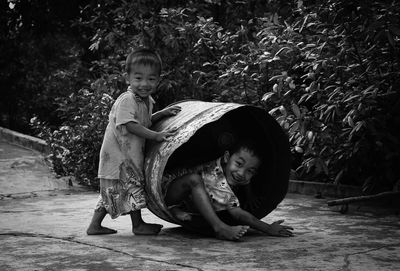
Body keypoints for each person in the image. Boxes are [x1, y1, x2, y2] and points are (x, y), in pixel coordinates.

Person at [87, 48, 181, 235]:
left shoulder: (145, 100)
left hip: (127, 155)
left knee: (114, 191)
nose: (144, 84)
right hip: (119, 157)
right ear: (127, 78)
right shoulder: (127, 99)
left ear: (158, 80)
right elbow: (130, 124)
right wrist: (155, 136)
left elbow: (142, 121)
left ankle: (95, 225)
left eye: (151, 79)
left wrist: (160, 114)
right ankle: (137, 225)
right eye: (138, 78)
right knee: (131, 187)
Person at [163, 140, 294, 241]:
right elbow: (237, 214)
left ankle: (180, 209)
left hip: (191, 198)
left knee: (228, 184)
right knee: (194, 179)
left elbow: (247, 181)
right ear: (227, 157)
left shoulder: (233, 170)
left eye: (250, 170)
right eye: (239, 164)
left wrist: (250, 196)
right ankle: (219, 227)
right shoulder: (216, 177)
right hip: (168, 188)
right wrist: (267, 228)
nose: (242, 173)